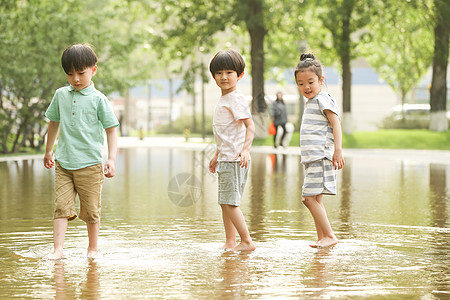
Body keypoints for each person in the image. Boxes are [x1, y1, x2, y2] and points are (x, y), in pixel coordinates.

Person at [43, 43, 119, 259]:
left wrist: (111, 159)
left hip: (90, 165)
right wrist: (49, 150)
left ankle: (92, 249)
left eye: (81, 73)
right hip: (64, 163)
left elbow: (111, 130)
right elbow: (53, 123)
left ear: (93, 70)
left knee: (92, 210)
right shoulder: (60, 95)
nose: (75, 78)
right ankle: (58, 250)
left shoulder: (99, 100)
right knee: (61, 207)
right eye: (70, 74)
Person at [295, 53, 344, 248]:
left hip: (321, 156)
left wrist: (337, 150)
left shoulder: (323, 98)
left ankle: (329, 236)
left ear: (321, 80)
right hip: (312, 158)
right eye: (300, 83)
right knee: (316, 199)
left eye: (310, 82)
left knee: (307, 198)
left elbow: (336, 124)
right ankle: (322, 237)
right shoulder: (312, 102)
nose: (306, 87)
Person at [208, 49, 256, 251]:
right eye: (219, 73)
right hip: (226, 158)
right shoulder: (226, 99)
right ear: (213, 76)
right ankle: (230, 241)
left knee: (230, 202)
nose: (224, 77)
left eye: (229, 72)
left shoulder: (235, 98)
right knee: (225, 201)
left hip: (235, 159)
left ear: (240, 75)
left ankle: (246, 241)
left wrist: (245, 150)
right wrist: (217, 154)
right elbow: (227, 133)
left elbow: (250, 126)